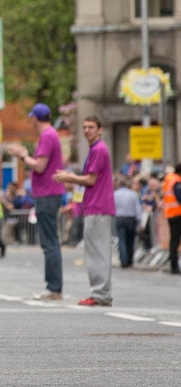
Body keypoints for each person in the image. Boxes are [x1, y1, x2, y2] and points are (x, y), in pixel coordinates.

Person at [53, 116, 116, 306]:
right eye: (84, 127)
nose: (87, 130)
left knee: (98, 252)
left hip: (98, 207)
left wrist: (71, 177)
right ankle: (100, 293)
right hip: (95, 206)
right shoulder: (95, 149)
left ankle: (100, 294)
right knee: (96, 251)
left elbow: (91, 179)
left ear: (100, 130)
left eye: (91, 127)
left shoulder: (98, 150)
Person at [7, 103, 65, 301]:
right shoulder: (51, 135)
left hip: (47, 194)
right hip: (49, 193)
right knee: (51, 241)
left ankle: (54, 288)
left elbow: (40, 166)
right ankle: (54, 287)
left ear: (35, 118)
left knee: (49, 242)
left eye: (31, 117)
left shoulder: (47, 136)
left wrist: (23, 155)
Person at [114, 177, 142, 268]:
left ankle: (123, 261)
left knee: (122, 240)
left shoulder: (115, 194)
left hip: (120, 218)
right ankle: (130, 260)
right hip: (131, 219)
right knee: (130, 240)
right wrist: (139, 221)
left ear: (119, 185)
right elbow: (138, 208)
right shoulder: (133, 194)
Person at [161, 164, 181, 275]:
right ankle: (174, 266)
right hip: (177, 213)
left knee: (174, 240)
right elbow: (180, 197)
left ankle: (173, 264)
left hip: (170, 214)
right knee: (175, 241)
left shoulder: (169, 179)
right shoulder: (176, 181)